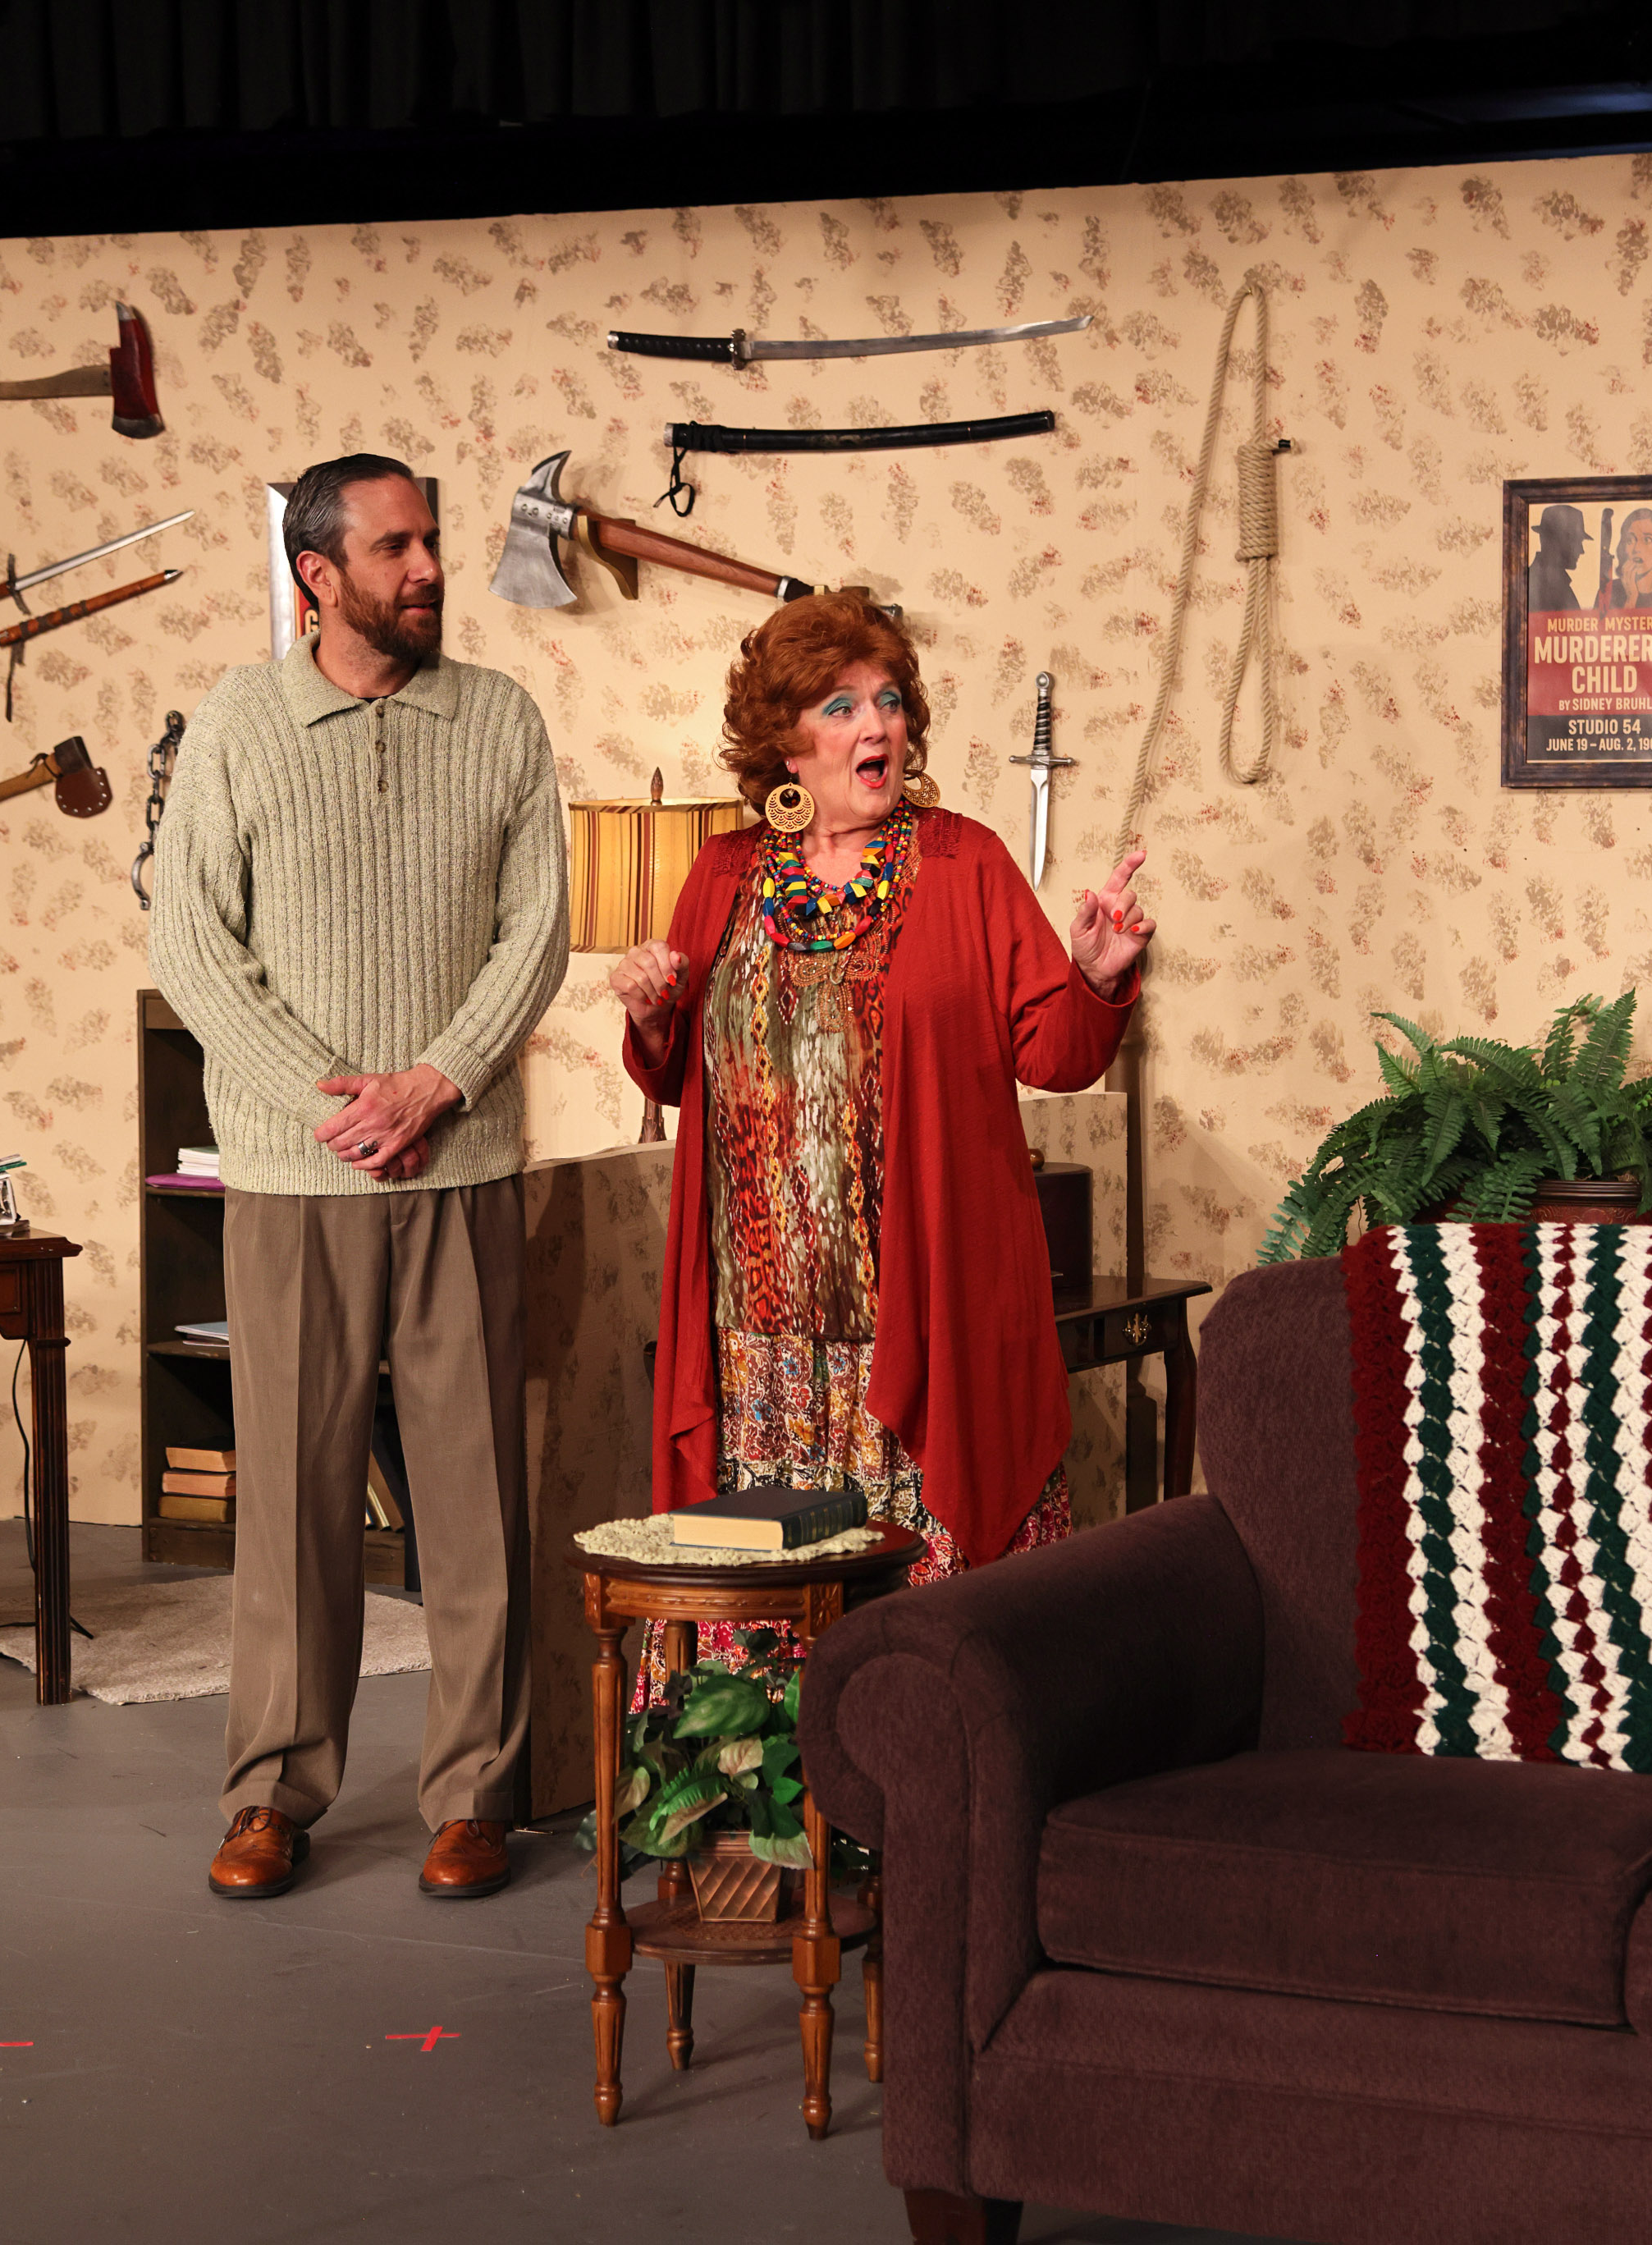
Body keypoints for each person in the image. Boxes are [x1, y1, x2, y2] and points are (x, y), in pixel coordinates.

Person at [149, 453, 570, 1903]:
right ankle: (272, 1790)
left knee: (475, 1497)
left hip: (462, 1161)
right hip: (296, 1174)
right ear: (318, 574)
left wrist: (434, 1083)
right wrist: (333, 1103)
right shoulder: (239, 722)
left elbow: (537, 932)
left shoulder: (500, 720)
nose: (429, 567)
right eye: (396, 547)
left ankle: (477, 1791)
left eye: (431, 540)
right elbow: (193, 945)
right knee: (294, 1500)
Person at [609, 592, 1151, 1663]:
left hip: (920, 1325)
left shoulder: (964, 862)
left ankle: (927, 1763)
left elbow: (1053, 1053)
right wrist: (651, 1012)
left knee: (924, 1628)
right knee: (770, 1618)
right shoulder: (721, 875)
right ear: (787, 744)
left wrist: (1092, 976)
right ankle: (768, 1769)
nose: (878, 725)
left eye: (890, 700)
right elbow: (676, 1071)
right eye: (842, 705)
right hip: (760, 1343)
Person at [1598, 506, 1652, 611]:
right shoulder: (1608, 591)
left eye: (1647, 540)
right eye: (1630, 540)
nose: (1636, 549)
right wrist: (1631, 600)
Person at [1524, 504, 1586, 614]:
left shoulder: (1554, 584)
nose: (1582, 550)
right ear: (1557, 541)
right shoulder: (1536, 586)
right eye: (1577, 542)